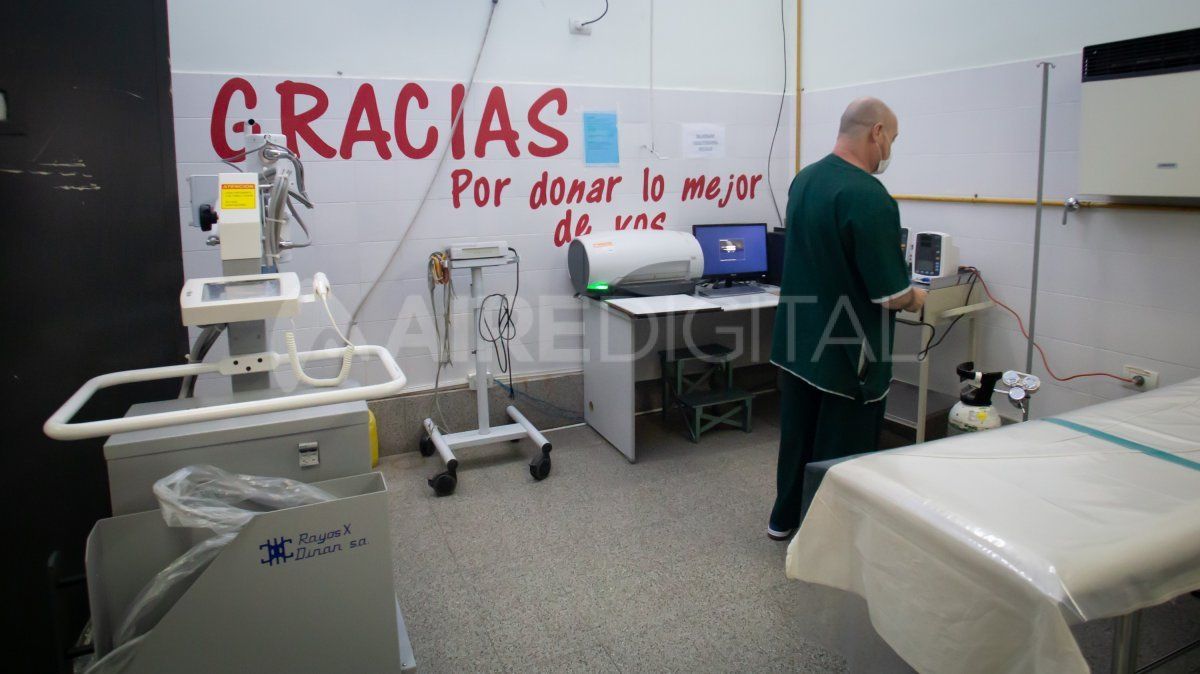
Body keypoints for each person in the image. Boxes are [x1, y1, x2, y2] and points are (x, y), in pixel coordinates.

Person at [767, 97, 927, 541]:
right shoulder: (868, 196)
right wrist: (916, 297)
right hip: (847, 352)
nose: (890, 149)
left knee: (798, 436)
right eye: (892, 138)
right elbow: (889, 294)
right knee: (842, 447)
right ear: (877, 132)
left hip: (798, 341)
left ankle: (784, 519)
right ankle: (826, 541)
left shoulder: (805, 179)